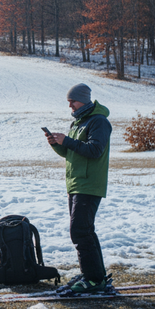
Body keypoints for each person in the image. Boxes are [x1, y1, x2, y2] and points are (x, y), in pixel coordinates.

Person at [45, 83, 111, 294]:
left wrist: (68, 140)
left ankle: (93, 279)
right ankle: (94, 276)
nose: (70, 106)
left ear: (83, 99)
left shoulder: (98, 121)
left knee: (80, 231)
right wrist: (57, 144)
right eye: (69, 102)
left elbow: (94, 150)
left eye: (72, 101)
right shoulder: (79, 122)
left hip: (89, 184)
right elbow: (72, 153)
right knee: (85, 231)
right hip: (75, 183)